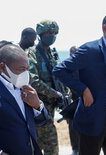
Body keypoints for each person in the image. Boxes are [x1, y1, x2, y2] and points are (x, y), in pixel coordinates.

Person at [53, 13, 106, 155]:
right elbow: (59, 70)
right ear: (104, 28)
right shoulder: (89, 50)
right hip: (91, 115)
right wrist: (83, 90)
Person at [27, 20, 69, 155]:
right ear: (40, 34)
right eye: (48, 33)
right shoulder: (32, 53)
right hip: (37, 107)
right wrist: (54, 93)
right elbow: (32, 80)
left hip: (50, 108)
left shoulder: (52, 54)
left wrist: (65, 92)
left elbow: (58, 76)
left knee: (48, 146)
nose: (52, 35)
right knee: (45, 144)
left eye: (54, 33)